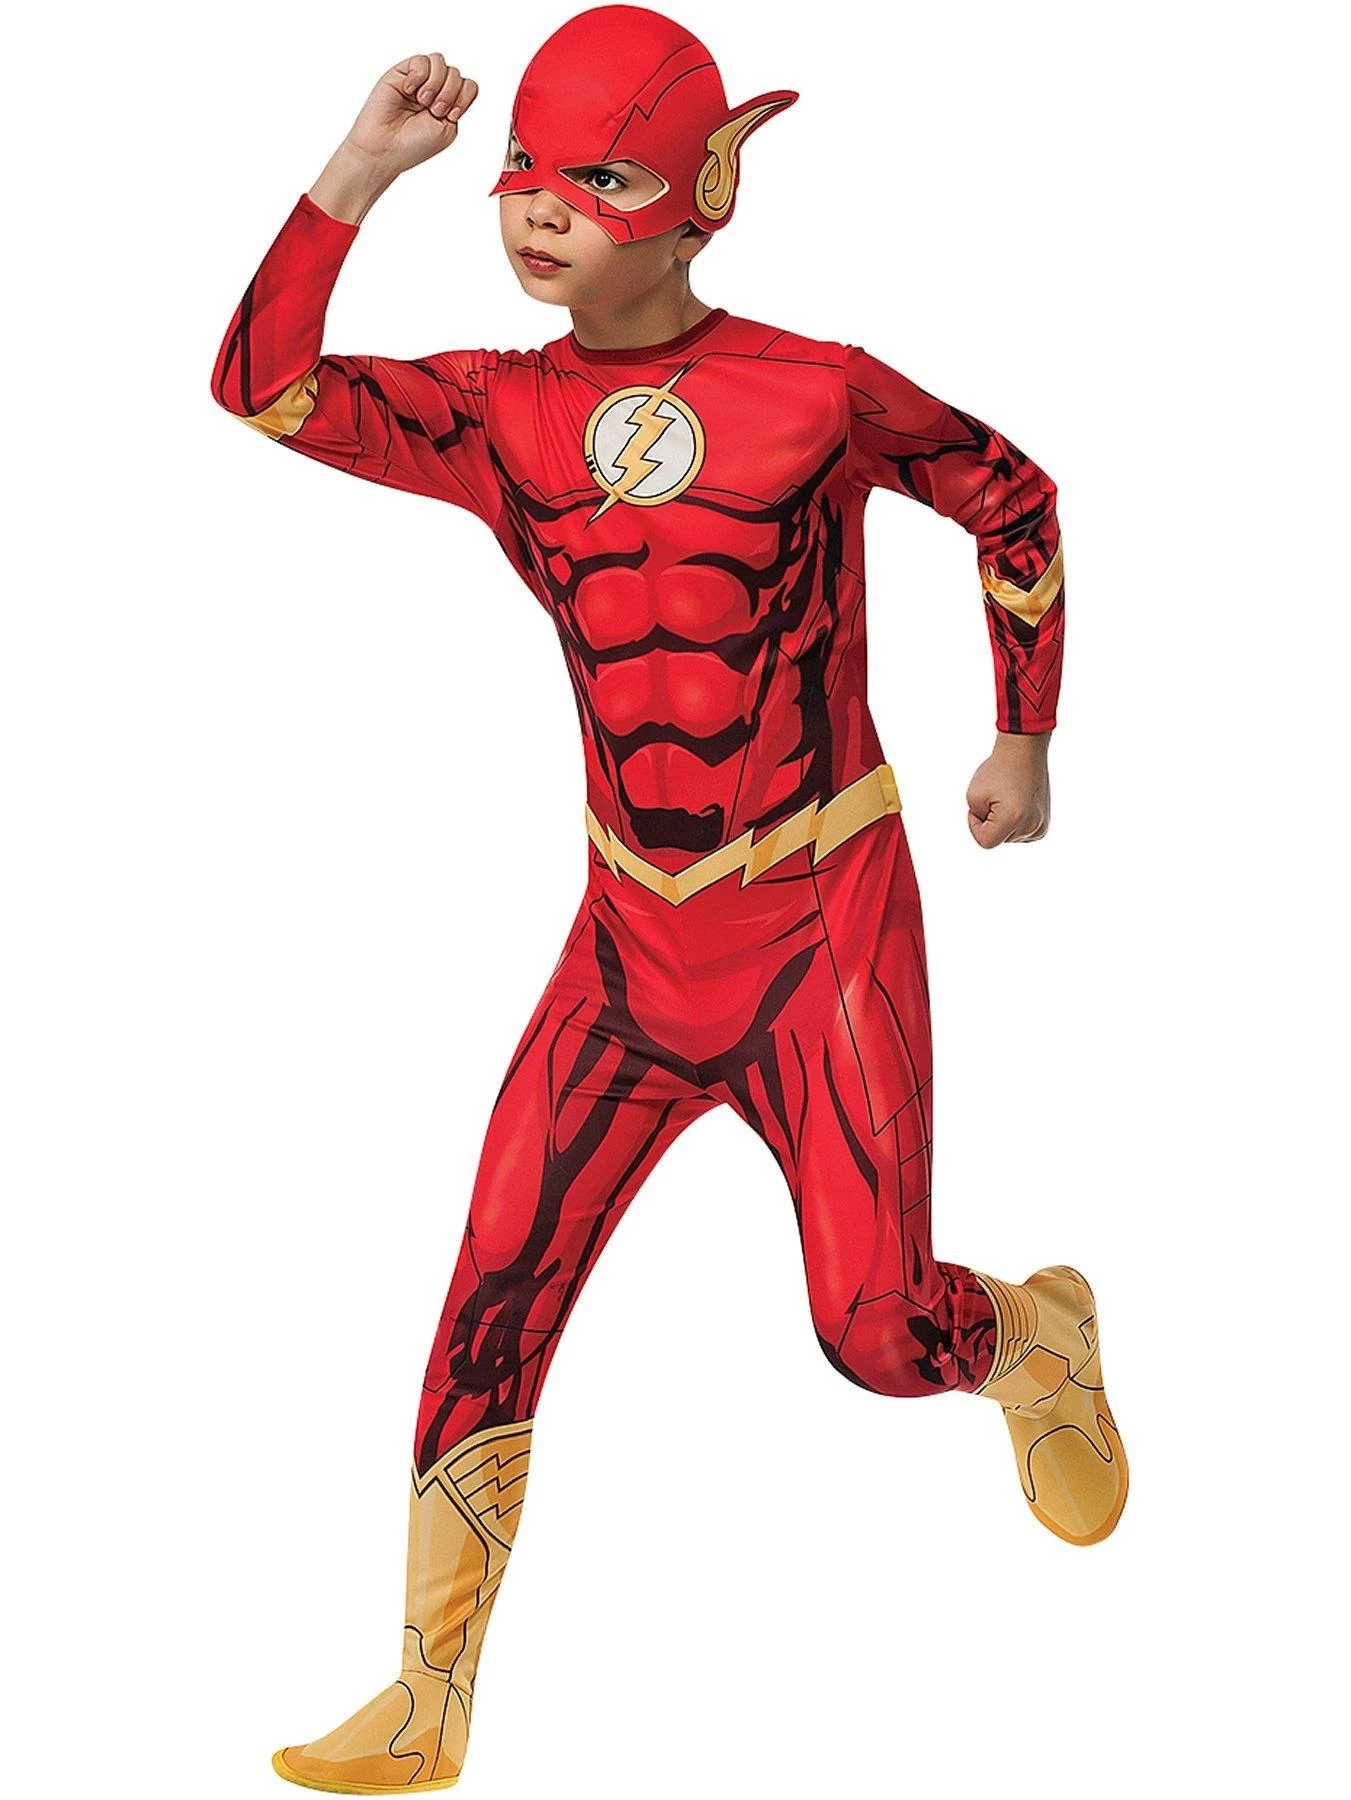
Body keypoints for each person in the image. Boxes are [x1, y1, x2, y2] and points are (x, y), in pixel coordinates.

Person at [210, 8, 1128, 1792]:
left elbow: (1012, 499)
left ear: (706, 193)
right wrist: (358, 173)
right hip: (627, 941)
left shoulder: (818, 389)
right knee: (493, 1287)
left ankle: (1027, 1336)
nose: (539, 208)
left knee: (876, 1340)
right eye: (519, 174)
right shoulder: (498, 411)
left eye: (596, 177)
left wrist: (1024, 739)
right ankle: (427, 1698)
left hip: (817, 927)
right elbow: (263, 386)